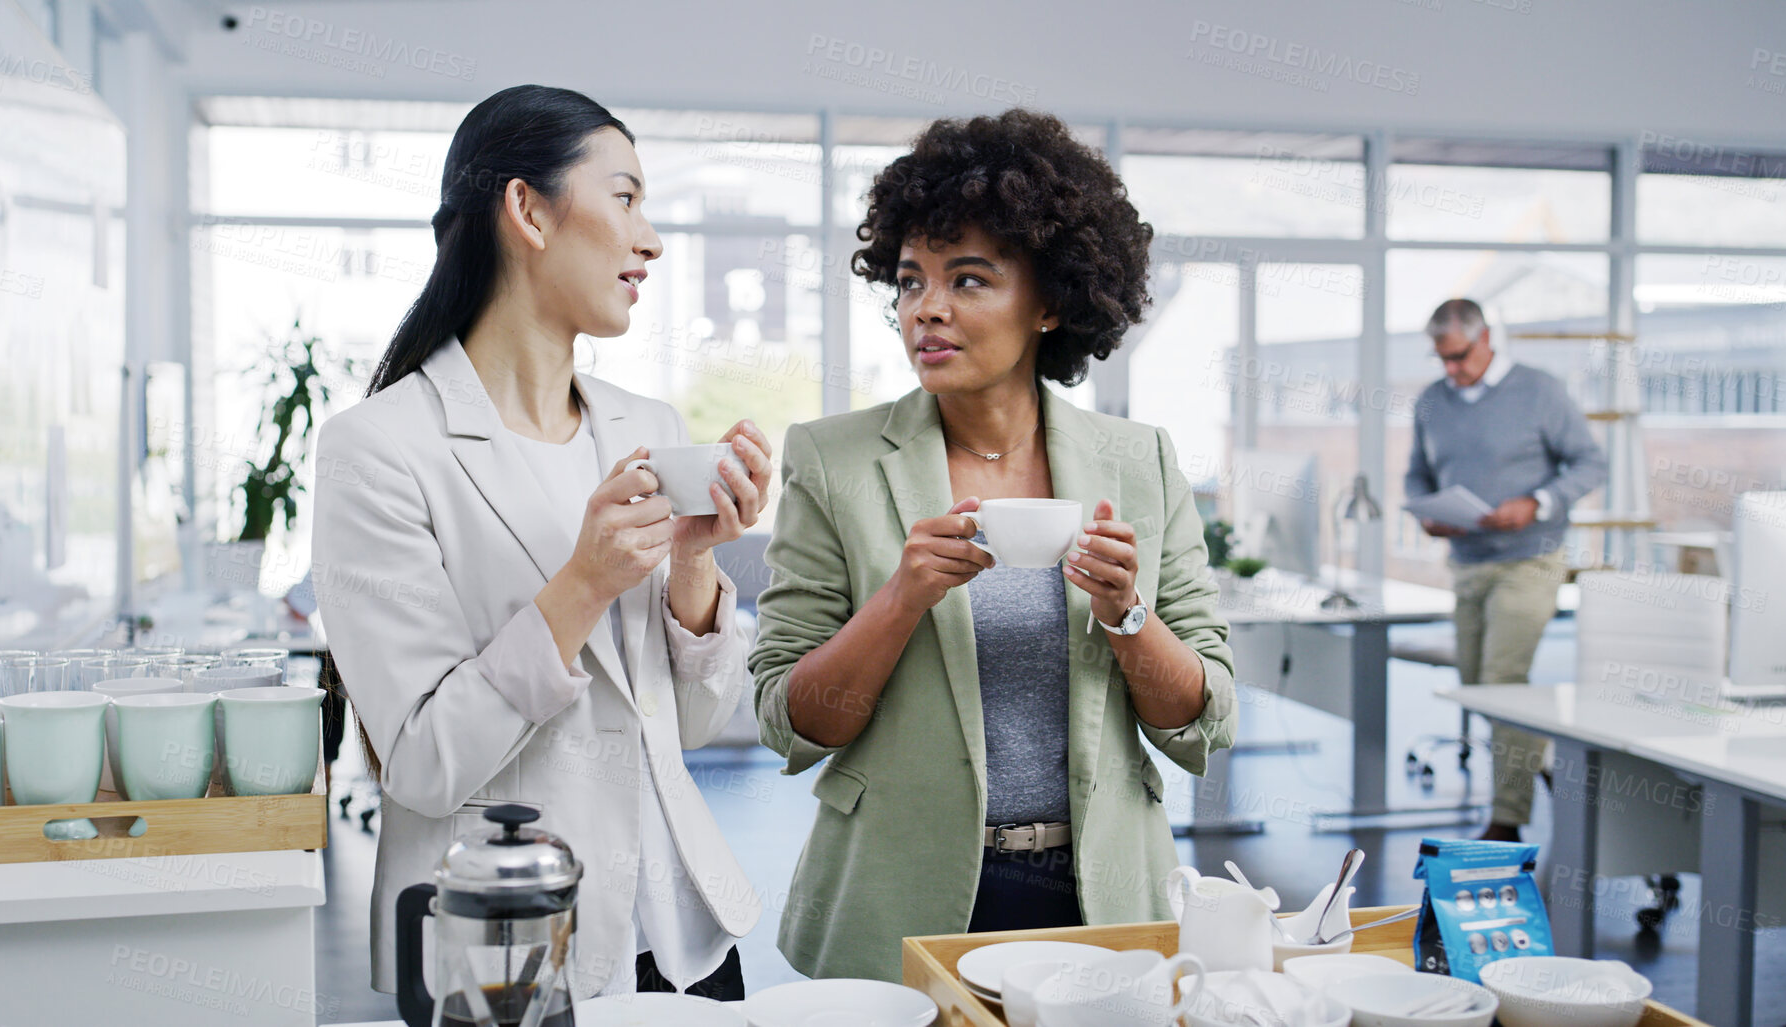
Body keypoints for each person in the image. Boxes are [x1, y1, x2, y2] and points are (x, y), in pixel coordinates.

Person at [748, 109, 1236, 982]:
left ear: (1050, 300)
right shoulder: (832, 460)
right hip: (899, 892)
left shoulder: (1140, 460)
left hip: (1101, 894)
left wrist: (1127, 616)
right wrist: (901, 598)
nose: (925, 309)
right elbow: (791, 724)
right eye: (908, 282)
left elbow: (1201, 723)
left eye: (967, 280)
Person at [311, 85, 770, 1001]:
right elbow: (422, 762)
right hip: (509, 948)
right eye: (626, 197)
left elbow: (687, 727)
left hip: (684, 942)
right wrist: (582, 585)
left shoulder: (646, 425)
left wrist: (690, 563)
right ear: (526, 208)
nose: (651, 240)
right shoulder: (379, 449)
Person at [1406, 298, 1605, 842]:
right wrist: (1428, 513)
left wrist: (1537, 502)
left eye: (1460, 355)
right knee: (1479, 690)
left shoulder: (1540, 391)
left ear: (1487, 338)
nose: (1451, 368)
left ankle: (1507, 823)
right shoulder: (1431, 402)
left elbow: (1591, 461)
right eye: (1442, 358)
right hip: (1468, 562)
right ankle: (1546, 761)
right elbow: (1416, 477)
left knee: (1503, 683)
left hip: (1530, 560)